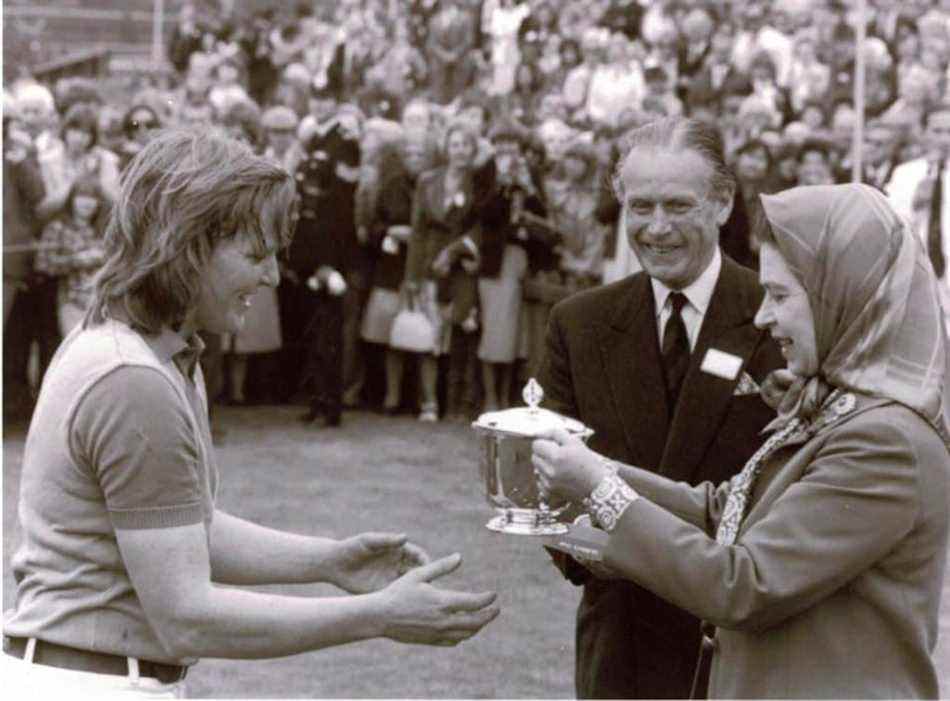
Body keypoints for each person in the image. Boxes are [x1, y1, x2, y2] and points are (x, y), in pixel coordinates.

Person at [2, 126, 500, 699]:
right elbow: (186, 614)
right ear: (187, 246)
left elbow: (185, 528)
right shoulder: (133, 381)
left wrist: (330, 562)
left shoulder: (156, 355)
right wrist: (377, 616)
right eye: (255, 255)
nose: (269, 276)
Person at [533, 183, 950, 699]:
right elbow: (723, 511)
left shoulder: (884, 442)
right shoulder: (840, 412)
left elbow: (744, 584)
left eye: (779, 296)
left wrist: (599, 488)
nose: (761, 316)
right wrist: (591, 468)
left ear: (844, 295)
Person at [535, 116, 784, 700]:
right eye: (641, 207)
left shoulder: (780, 318)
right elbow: (544, 472)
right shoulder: (579, 322)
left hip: (742, 647)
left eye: (678, 205)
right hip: (623, 648)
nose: (657, 228)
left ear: (723, 203)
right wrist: (585, 552)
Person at [886, 108, 950, 334]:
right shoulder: (905, 174)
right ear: (924, 133)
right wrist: (916, 202)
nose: (944, 139)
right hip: (918, 272)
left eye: (949, 132)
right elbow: (890, 226)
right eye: (937, 131)